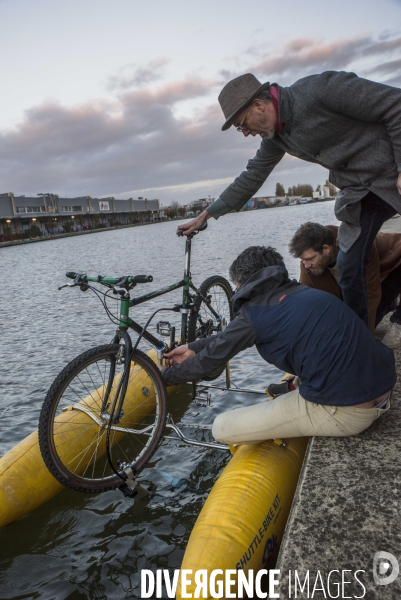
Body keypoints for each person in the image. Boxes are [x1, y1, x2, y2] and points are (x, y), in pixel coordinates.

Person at [177, 71, 401, 330]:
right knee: (348, 264)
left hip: (390, 173)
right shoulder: (276, 139)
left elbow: (394, 104)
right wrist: (206, 214)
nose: (245, 133)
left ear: (259, 105)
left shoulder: (320, 90)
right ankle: (359, 341)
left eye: (242, 125)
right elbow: (252, 175)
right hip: (360, 193)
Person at [161, 246, 395, 445]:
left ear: (242, 282)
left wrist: (163, 377)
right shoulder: (300, 291)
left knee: (221, 428)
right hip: (382, 386)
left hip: (350, 410)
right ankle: (296, 388)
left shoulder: (255, 313)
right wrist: (194, 346)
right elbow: (228, 337)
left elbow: (207, 364)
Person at [288, 222, 401, 346]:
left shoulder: (358, 246)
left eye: (310, 259)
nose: (306, 265)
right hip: (372, 283)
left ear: (326, 249)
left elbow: (370, 293)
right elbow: (306, 302)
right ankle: (389, 303)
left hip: (391, 265)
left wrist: (362, 339)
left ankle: (398, 322)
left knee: (361, 331)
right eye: (302, 260)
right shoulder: (308, 264)